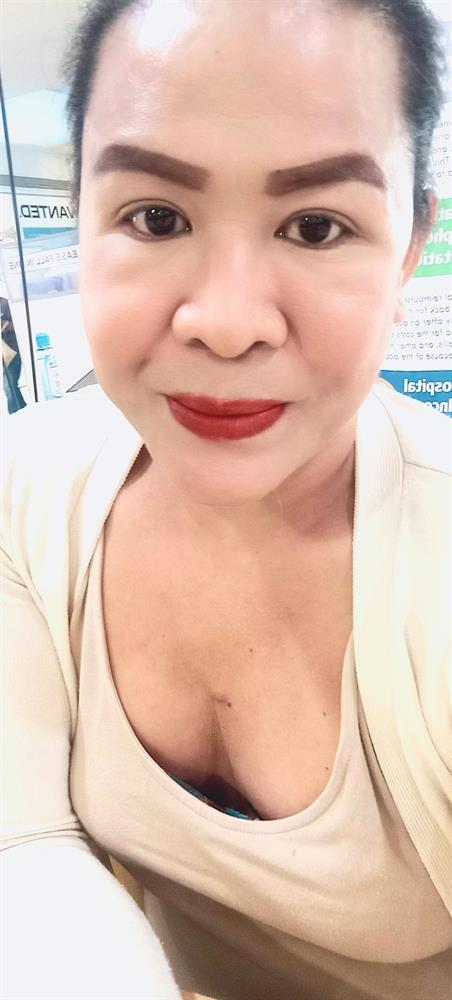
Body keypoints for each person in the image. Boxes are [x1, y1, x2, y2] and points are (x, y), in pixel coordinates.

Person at [2, 0, 451, 997]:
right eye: (155, 217)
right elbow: (20, 844)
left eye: (316, 225)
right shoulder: (25, 487)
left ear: (408, 248)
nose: (227, 322)